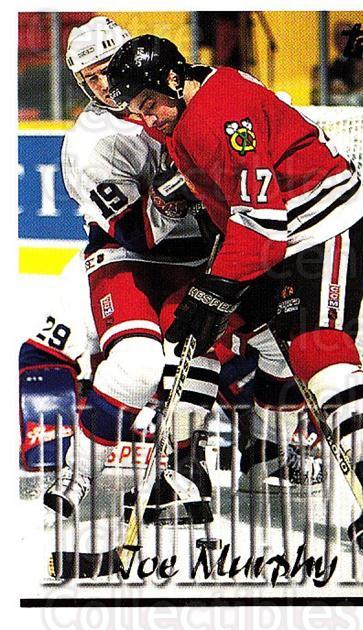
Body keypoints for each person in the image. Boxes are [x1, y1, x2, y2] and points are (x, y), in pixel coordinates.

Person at [106, 34, 363, 550]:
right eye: (136, 111)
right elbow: (242, 199)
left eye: (148, 103)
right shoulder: (190, 108)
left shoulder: (220, 111)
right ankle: (187, 475)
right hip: (270, 237)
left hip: (322, 231)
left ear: (171, 79)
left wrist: (218, 287)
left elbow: (263, 225)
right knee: (187, 328)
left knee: (316, 349)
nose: (147, 119)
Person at [25, 18, 221, 531]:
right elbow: (136, 232)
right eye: (90, 78)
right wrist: (184, 183)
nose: (104, 84)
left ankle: (184, 469)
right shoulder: (89, 145)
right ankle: (80, 470)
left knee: (201, 356)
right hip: (127, 259)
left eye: (109, 68)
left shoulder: (185, 98)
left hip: (198, 257)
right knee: (137, 364)